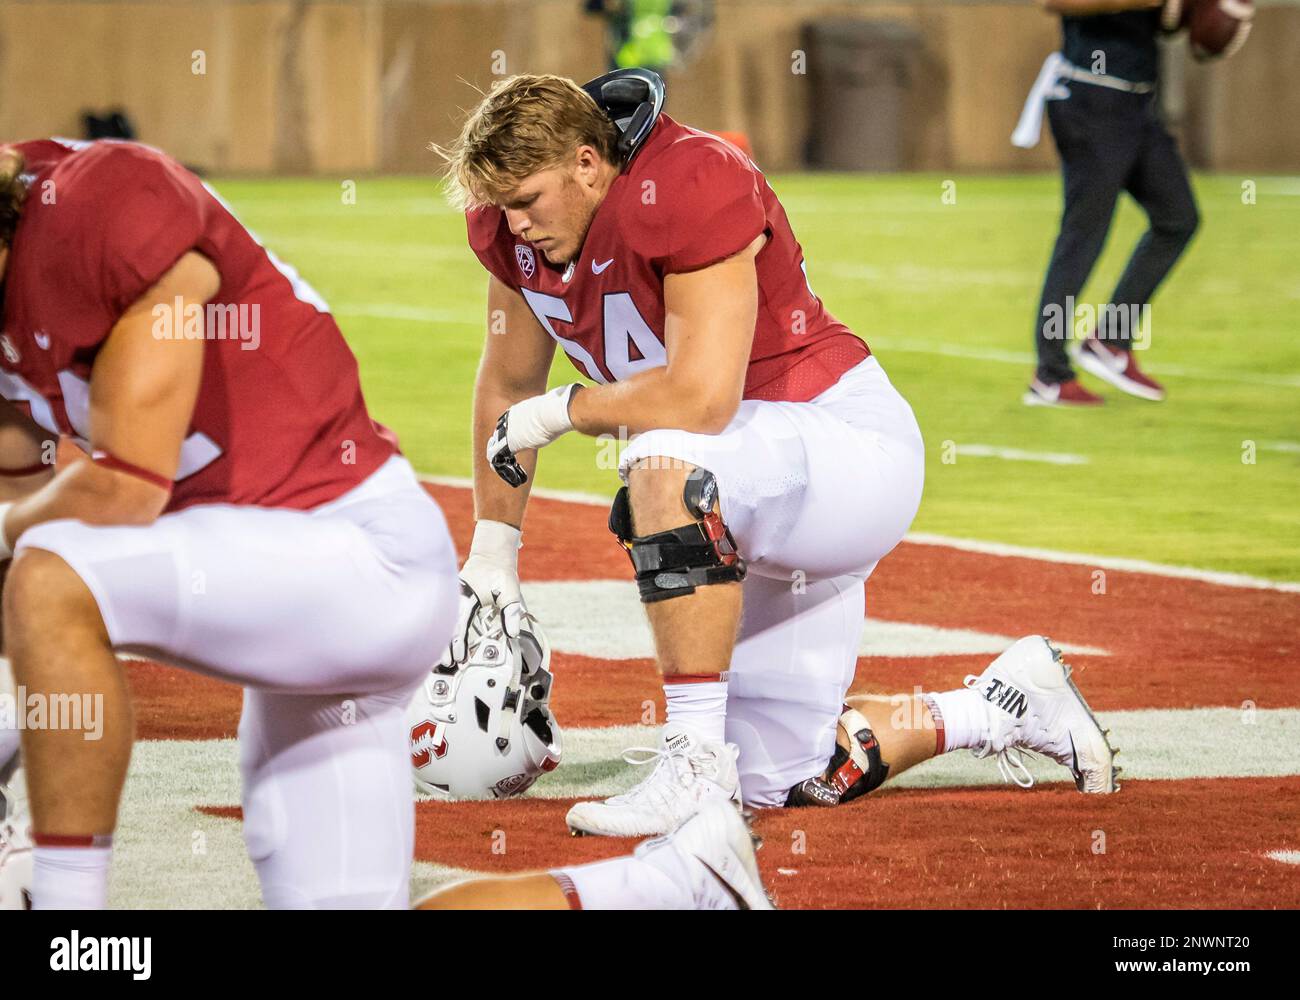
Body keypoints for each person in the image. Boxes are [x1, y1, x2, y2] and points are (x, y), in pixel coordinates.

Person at [433, 70, 1116, 844]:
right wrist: (494, 550)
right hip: (753, 485)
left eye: (529, 200)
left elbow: (701, 397)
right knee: (779, 778)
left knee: (663, 464)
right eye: (503, 206)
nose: (515, 223)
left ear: (589, 163)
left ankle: (690, 766)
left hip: (840, 447)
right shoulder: (512, 234)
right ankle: (1002, 703)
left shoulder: (689, 179)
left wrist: (567, 408)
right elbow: (508, 385)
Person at [0, 138, 458, 909]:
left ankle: (65, 916)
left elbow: (124, 490)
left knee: (49, 571)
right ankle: (678, 879)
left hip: (360, 554)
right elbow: (30, 469)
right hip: (301, 614)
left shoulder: (100, 205)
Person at [1016, 0, 1198, 406]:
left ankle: (1110, 338)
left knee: (1178, 218)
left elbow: (1161, 24)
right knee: (1084, 235)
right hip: (1090, 99)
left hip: (1137, 105)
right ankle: (1050, 374)